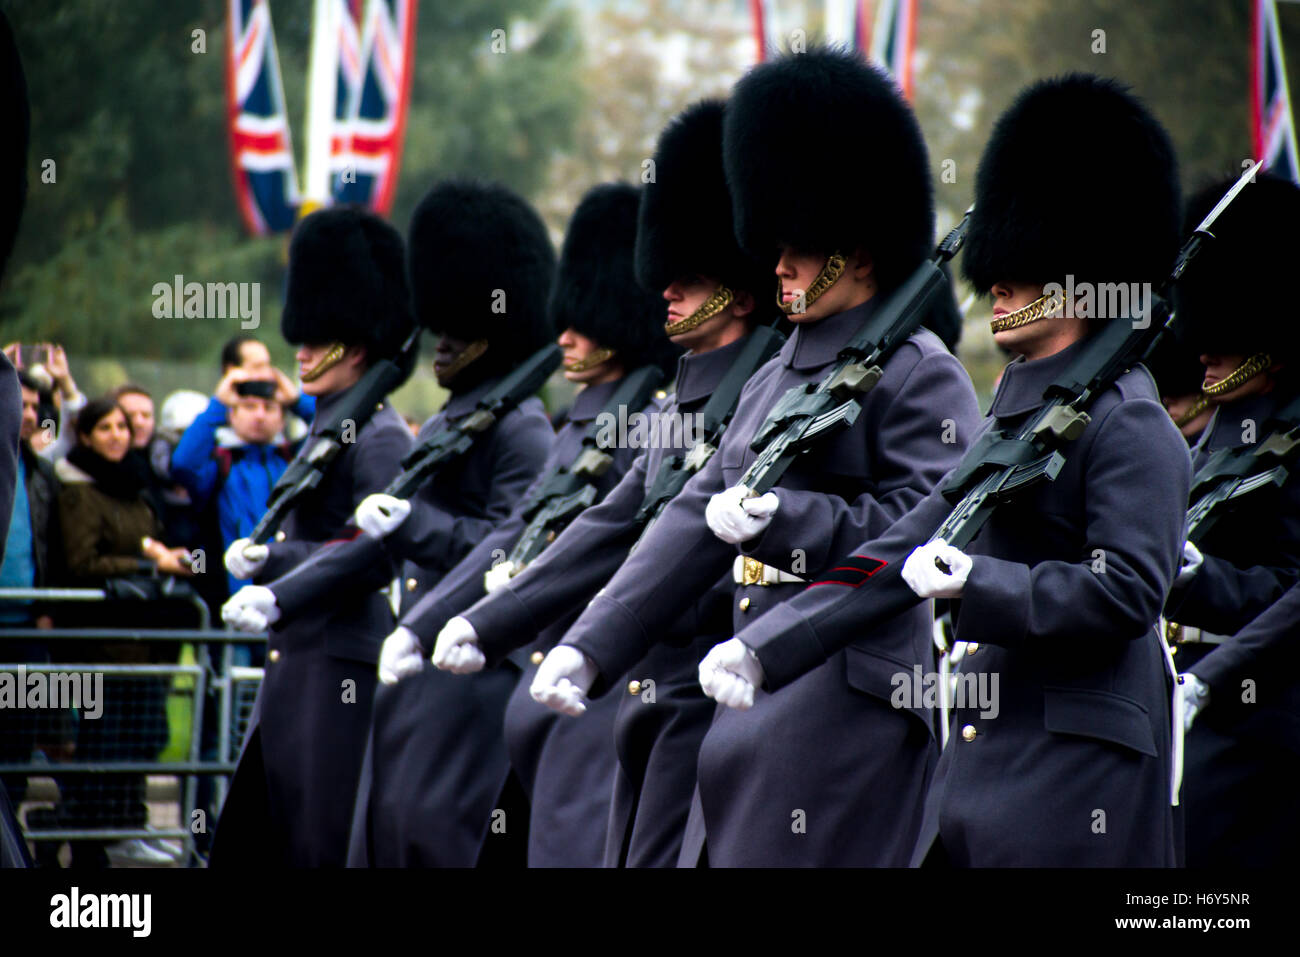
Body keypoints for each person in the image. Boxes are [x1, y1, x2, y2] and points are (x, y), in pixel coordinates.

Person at [705, 73, 1189, 867]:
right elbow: (899, 545)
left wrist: (979, 584)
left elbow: (1128, 590)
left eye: (1025, 268)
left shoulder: (1128, 419)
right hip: (984, 770)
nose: (996, 283)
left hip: (1077, 779)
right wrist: (770, 648)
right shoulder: (1018, 414)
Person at [526, 48, 982, 867]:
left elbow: (928, 526)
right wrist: (589, 644)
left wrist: (789, 520)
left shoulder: (919, 370)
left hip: (845, 701)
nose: (778, 263)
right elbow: (687, 512)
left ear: (860, 249)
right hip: (746, 701)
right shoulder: (776, 372)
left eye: (800, 245)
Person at [434, 99, 776, 867]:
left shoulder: (762, 391)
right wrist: (488, 618)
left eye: (688, 279)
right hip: (638, 686)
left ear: (740, 292)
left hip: (707, 683)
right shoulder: (673, 402)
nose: (666, 291)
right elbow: (611, 524)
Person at [233, 179, 560, 867]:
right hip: (409, 668)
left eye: (457, 328)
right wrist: (275, 569)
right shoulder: (447, 417)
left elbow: (514, 547)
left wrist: (409, 527)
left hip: (467, 672)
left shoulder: (521, 426)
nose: (438, 341)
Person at [390, 182, 678, 867]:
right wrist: (427, 620)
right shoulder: (584, 414)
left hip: (594, 682)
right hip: (541, 684)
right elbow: (517, 527)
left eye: (586, 321)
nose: (566, 335)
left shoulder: (644, 417)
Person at [210, 205, 416, 867]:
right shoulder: (325, 427)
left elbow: (372, 547)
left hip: (337, 666)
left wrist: (275, 570)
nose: (299, 350)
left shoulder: (378, 432)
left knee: (320, 842)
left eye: (317, 336)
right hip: (294, 661)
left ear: (355, 345)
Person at [1163, 173, 1300, 867]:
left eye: (1222, 333)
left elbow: (1289, 593)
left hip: (1258, 727)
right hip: (1179, 711)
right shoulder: (1216, 433)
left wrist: (1199, 578)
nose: (1202, 348)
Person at [53, 395, 196, 866]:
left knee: (141, 734)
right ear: (87, 435)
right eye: (106, 428)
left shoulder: (132, 485)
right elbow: (80, 561)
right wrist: (145, 562)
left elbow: (147, 538)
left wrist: (162, 557)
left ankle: (130, 825)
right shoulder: (79, 490)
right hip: (101, 641)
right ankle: (97, 837)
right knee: (104, 742)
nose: (118, 435)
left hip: (140, 637)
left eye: (122, 426)